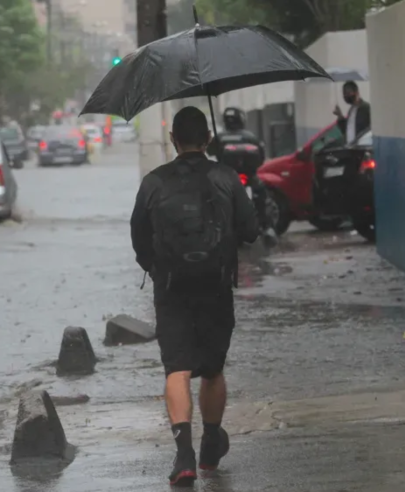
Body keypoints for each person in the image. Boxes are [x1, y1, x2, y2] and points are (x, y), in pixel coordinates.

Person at [130, 106, 260, 486]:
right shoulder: (224, 177)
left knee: (177, 369)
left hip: (170, 288)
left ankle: (183, 455)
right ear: (207, 138)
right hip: (215, 286)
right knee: (213, 369)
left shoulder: (153, 182)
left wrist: (156, 268)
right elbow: (250, 230)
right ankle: (209, 446)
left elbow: (138, 238)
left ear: (173, 140)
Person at [207, 107, 275, 241]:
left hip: (225, 177)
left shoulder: (220, 137)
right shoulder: (250, 136)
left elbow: (210, 152)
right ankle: (267, 226)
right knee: (262, 196)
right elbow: (261, 156)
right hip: (249, 176)